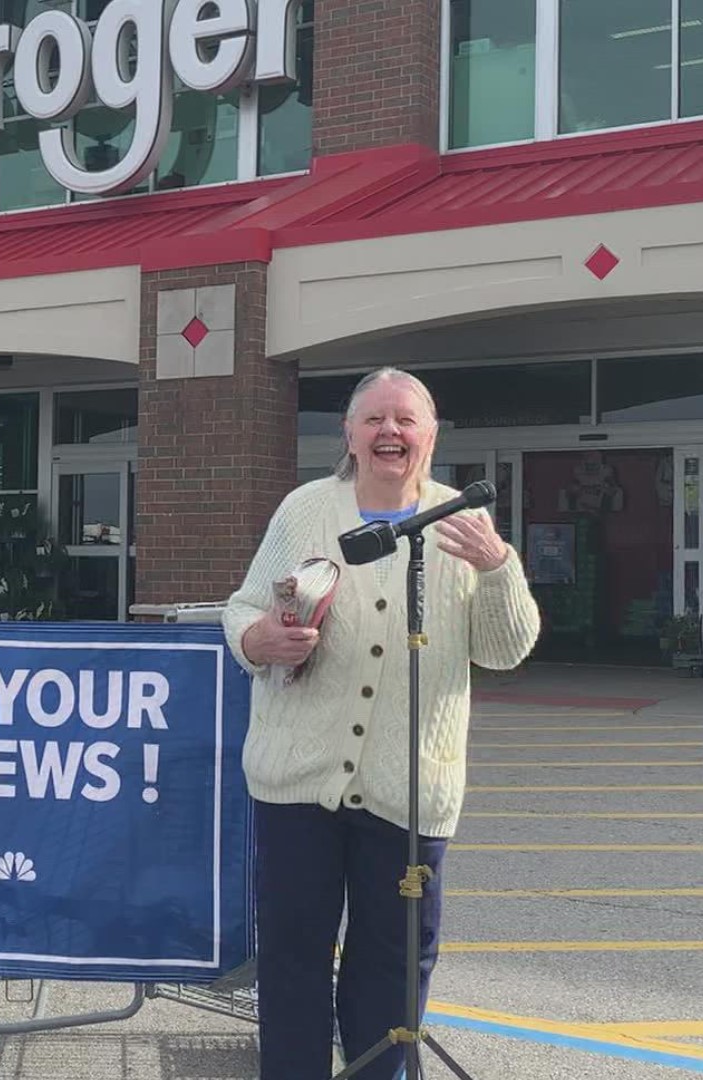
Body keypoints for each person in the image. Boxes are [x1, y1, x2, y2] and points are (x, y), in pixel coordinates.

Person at [222, 366, 540, 1079]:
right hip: (298, 784)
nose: (389, 432)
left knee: (391, 968)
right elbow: (242, 607)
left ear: (430, 434)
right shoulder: (308, 510)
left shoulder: (463, 521)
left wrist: (499, 568)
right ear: (350, 434)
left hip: (408, 790)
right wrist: (256, 640)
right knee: (294, 957)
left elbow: (506, 648)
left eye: (405, 420)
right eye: (374, 420)